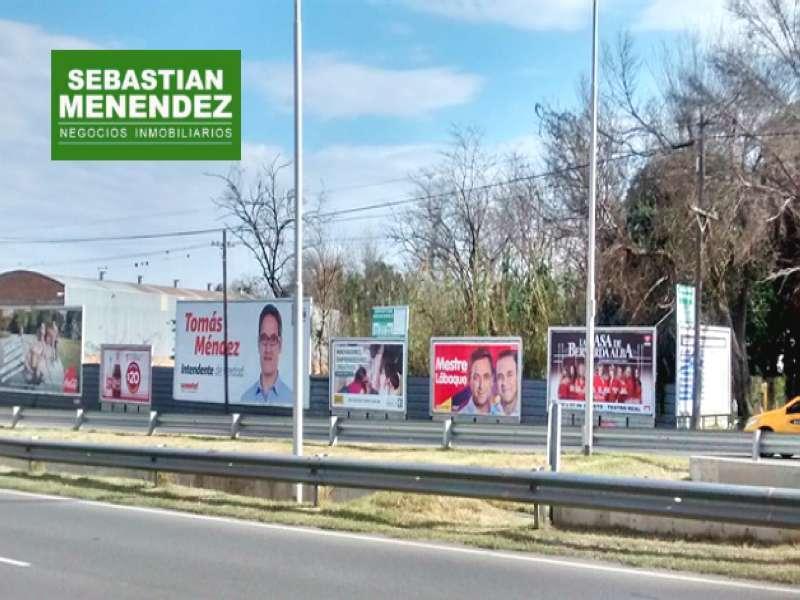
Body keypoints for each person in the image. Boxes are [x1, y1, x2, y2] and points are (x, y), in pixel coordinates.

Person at [240, 304, 293, 406]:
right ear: (258, 343)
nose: (268, 349)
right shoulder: (245, 399)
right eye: (264, 338)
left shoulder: (292, 400)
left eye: (273, 339)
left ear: (280, 345)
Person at [453, 347, 494, 415]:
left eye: (486, 377)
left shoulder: (501, 413)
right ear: (469, 380)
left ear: (492, 380)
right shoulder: (462, 415)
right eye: (476, 378)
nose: (481, 385)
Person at [494, 349, 519, 416]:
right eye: (500, 376)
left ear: (518, 376)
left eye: (509, 375)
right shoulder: (490, 412)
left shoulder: (526, 412)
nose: (504, 382)